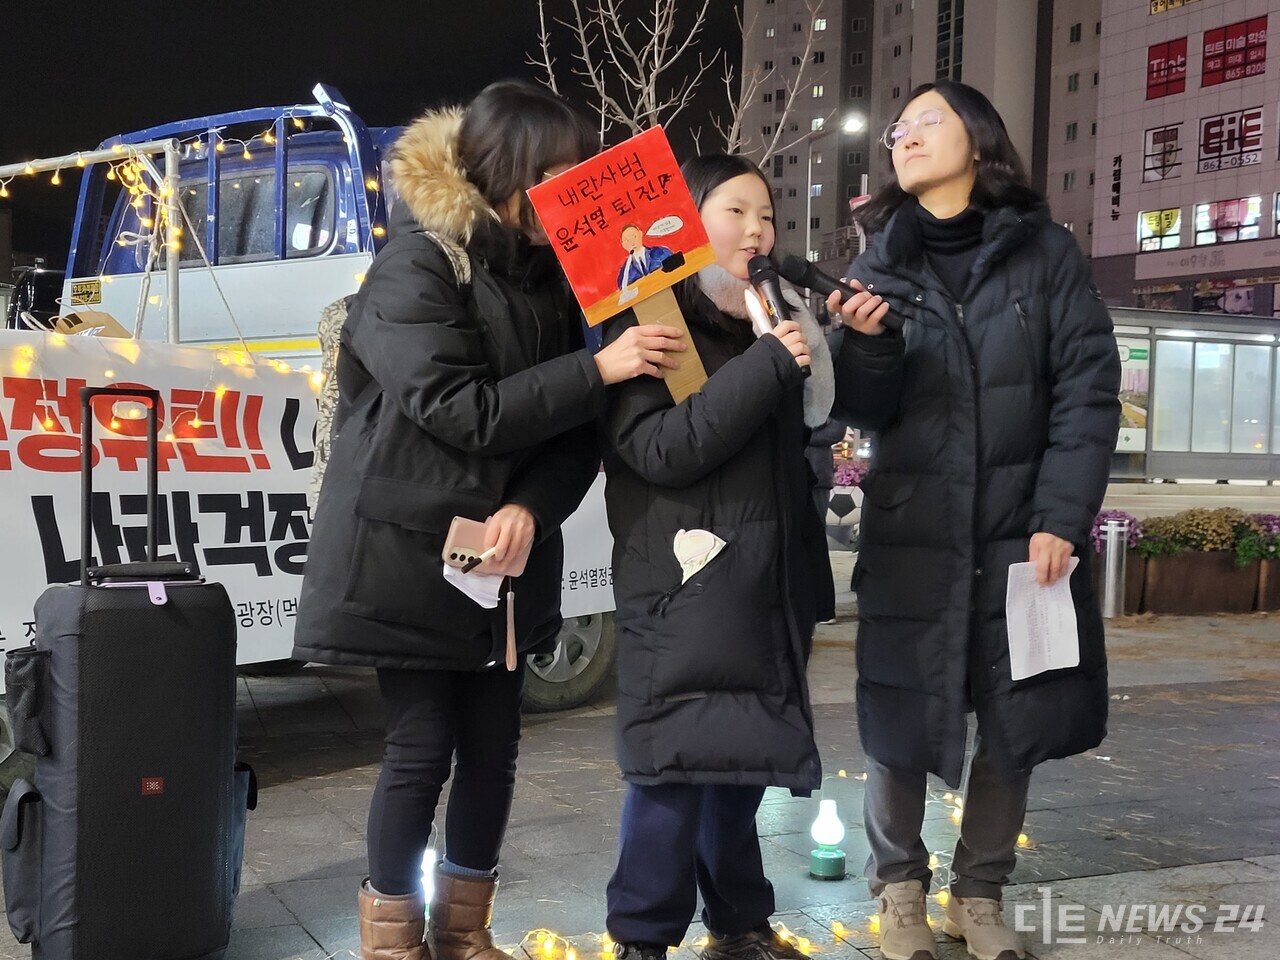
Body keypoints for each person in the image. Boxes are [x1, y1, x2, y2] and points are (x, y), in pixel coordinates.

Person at [293, 80, 689, 960]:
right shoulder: (420, 262)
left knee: (494, 747)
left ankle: (465, 933)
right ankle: (393, 939)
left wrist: (529, 507)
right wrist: (602, 369)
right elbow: (456, 407)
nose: (566, 193)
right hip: (409, 553)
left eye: (576, 174)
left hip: (504, 563)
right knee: (420, 749)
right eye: (552, 174)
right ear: (508, 170)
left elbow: (574, 436)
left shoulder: (557, 278)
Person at [828, 80, 1120, 960]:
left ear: (979, 138)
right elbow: (865, 409)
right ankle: (901, 889)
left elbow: (1086, 389)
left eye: (928, 121)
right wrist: (867, 345)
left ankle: (981, 892)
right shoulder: (879, 259)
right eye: (898, 127)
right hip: (914, 532)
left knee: (1013, 720)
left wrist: (1062, 514)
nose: (904, 136)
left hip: (1020, 534)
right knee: (900, 722)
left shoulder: (1046, 255)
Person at [598, 153, 834, 960]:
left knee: (744, 765)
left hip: (767, 583)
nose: (758, 230)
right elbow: (660, 450)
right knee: (671, 770)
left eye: (766, 215)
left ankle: (738, 924)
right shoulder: (648, 321)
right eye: (735, 211)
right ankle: (642, 938)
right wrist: (772, 364)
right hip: (684, 582)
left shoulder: (769, 319)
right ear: (686, 224)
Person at [617, 223, 676, 288]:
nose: (632, 243)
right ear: (623, 245)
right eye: (627, 240)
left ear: (640, 234)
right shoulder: (625, 272)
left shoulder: (661, 252)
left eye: (634, 236)